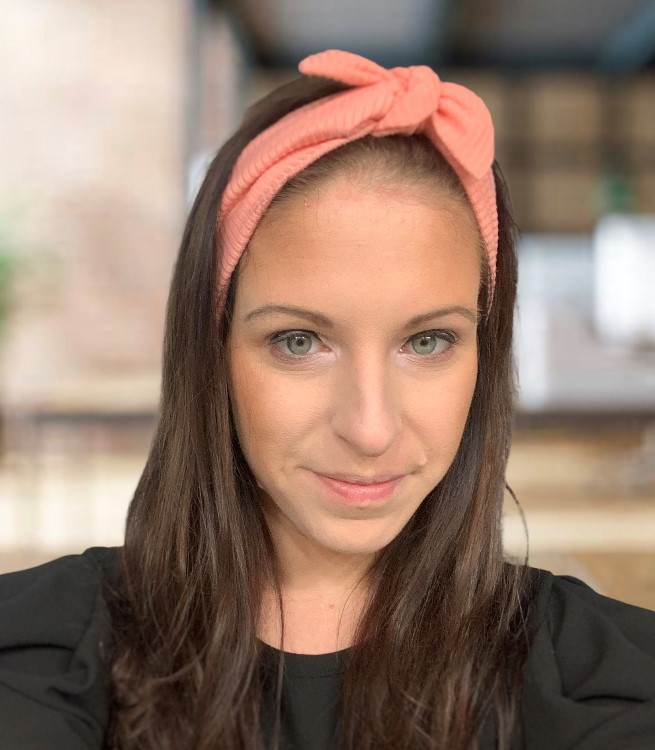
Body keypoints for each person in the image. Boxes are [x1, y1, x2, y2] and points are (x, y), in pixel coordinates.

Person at [0, 49, 653, 750]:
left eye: (427, 342)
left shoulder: (606, 681)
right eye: (299, 342)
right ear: (210, 354)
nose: (369, 429)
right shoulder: (35, 660)